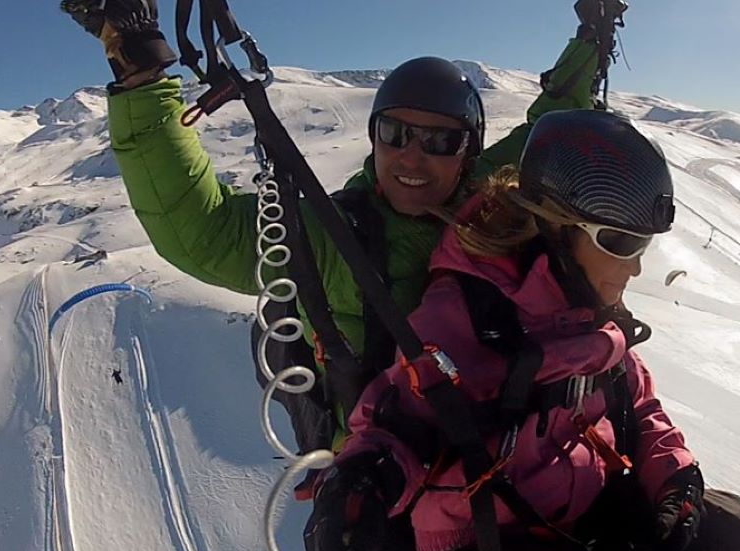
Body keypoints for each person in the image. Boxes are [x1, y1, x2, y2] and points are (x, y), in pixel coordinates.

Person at [305, 109, 740, 551]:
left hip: (565, 507)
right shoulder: (470, 313)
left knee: (729, 531)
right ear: (557, 228)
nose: (636, 267)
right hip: (478, 548)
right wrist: (362, 481)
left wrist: (676, 482)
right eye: (620, 241)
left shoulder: (583, 296)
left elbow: (636, 397)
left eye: (642, 243)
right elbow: (397, 418)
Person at [60, 0, 627, 457]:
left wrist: (591, 41)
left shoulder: (487, 195)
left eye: (439, 140)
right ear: (373, 136)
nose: (412, 157)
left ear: (468, 151)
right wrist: (139, 67)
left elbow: (548, 125)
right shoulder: (327, 234)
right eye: (395, 133)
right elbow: (201, 230)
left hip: (506, 449)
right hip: (387, 482)